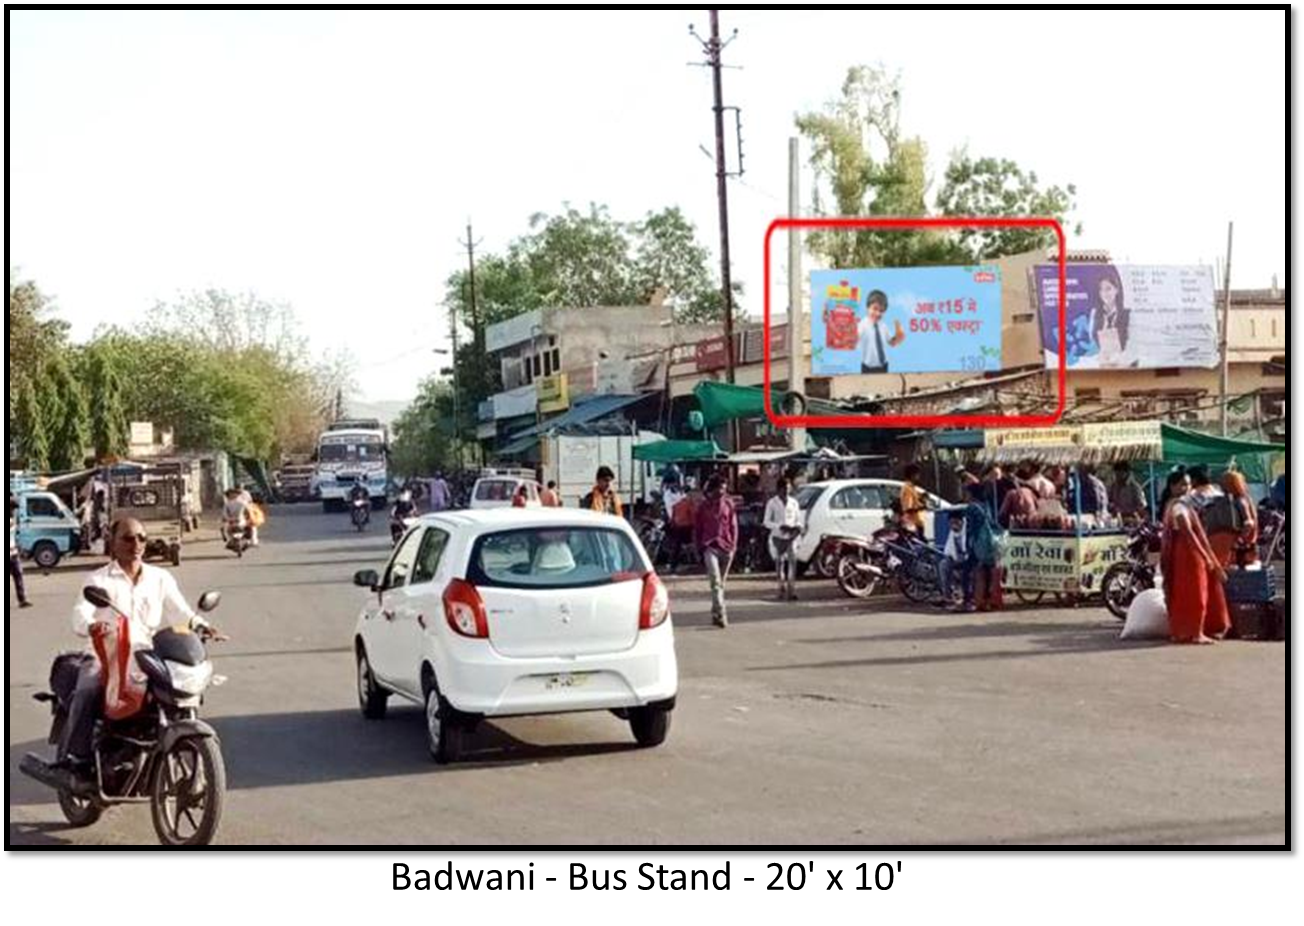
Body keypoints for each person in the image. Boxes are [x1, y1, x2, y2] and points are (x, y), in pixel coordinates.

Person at [52, 518, 227, 783]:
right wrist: (92, 626)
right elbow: (80, 612)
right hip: (105, 654)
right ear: (113, 542)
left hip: (147, 656)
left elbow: (180, 611)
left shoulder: (160, 577)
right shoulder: (98, 579)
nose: (137, 544)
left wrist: (202, 626)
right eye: (128, 538)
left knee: (179, 691)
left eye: (142, 538)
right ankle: (77, 759)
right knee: (88, 687)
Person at [1160, 473, 1227, 644]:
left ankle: (1187, 631)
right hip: (1188, 554)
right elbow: (1189, 534)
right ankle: (1195, 633)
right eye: (1182, 485)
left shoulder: (1184, 505)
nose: (1186, 488)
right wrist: (1206, 557)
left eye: (1188, 484)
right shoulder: (1178, 507)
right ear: (1173, 487)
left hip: (1187, 552)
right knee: (1196, 593)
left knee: (1190, 592)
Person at [695, 475, 738, 628]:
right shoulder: (703, 507)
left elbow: (733, 526)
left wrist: (733, 546)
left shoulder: (728, 504)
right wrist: (698, 548)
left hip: (726, 547)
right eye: (719, 488)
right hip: (710, 547)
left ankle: (715, 611)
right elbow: (698, 530)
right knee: (716, 582)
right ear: (712, 489)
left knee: (722, 584)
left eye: (724, 489)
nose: (722, 492)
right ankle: (721, 614)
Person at [763, 476, 803, 602]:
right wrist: (780, 526)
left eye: (788, 488)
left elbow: (798, 519)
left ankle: (792, 590)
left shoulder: (794, 502)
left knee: (792, 564)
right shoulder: (772, 503)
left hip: (791, 537)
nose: (786, 491)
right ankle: (781, 589)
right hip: (778, 537)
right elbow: (766, 522)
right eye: (784, 489)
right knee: (779, 564)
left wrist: (797, 528)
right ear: (779, 489)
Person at [1213, 471, 1259, 569]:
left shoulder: (1240, 500)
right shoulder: (1244, 498)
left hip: (1241, 548)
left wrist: (1239, 540)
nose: (1221, 487)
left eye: (1223, 484)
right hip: (1244, 546)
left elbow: (1249, 523)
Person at [1088, 267, 1132, 367]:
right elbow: (1091, 340)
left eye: (1108, 289)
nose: (1104, 293)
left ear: (1116, 290)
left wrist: (1119, 360)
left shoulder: (1127, 314)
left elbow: (1131, 344)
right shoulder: (1095, 313)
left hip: (1123, 366)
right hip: (1102, 365)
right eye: (1101, 290)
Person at [857, 289, 906, 374]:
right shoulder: (862, 325)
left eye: (881, 311)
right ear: (867, 307)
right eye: (875, 309)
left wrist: (898, 337)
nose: (877, 313)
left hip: (884, 365)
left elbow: (891, 342)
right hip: (868, 368)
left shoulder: (883, 326)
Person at [939, 509, 975, 611]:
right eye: (951, 523)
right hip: (957, 559)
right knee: (943, 565)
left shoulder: (968, 529)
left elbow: (968, 548)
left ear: (961, 521)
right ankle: (947, 596)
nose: (953, 525)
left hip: (969, 558)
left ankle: (968, 598)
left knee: (967, 571)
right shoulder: (952, 532)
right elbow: (949, 550)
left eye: (955, 522)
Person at [1109, 461, 1149, 525]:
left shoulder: (1135, 488)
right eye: (1116, 474)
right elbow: (1110, 502)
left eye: (1120, 473)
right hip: (1117, 520)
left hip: (1132, 520)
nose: (1117, 476)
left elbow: (1142, 507)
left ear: (1126, 473)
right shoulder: (1113, 487)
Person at [10, 497, 32, 609]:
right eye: (13, 508)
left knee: (18, 575)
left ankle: (22, 600)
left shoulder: (13, 519)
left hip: (13, 553)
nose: (14, 511)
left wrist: (18, 548)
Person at [898, 464, 927, 536]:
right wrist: (921, 507)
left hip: (916, 522)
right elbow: (908, 508)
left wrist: (921, 498)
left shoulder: (912, 488)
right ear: (912, 475)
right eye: (917, 474)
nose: (919, 477)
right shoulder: (907, 488)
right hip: (912, 523)